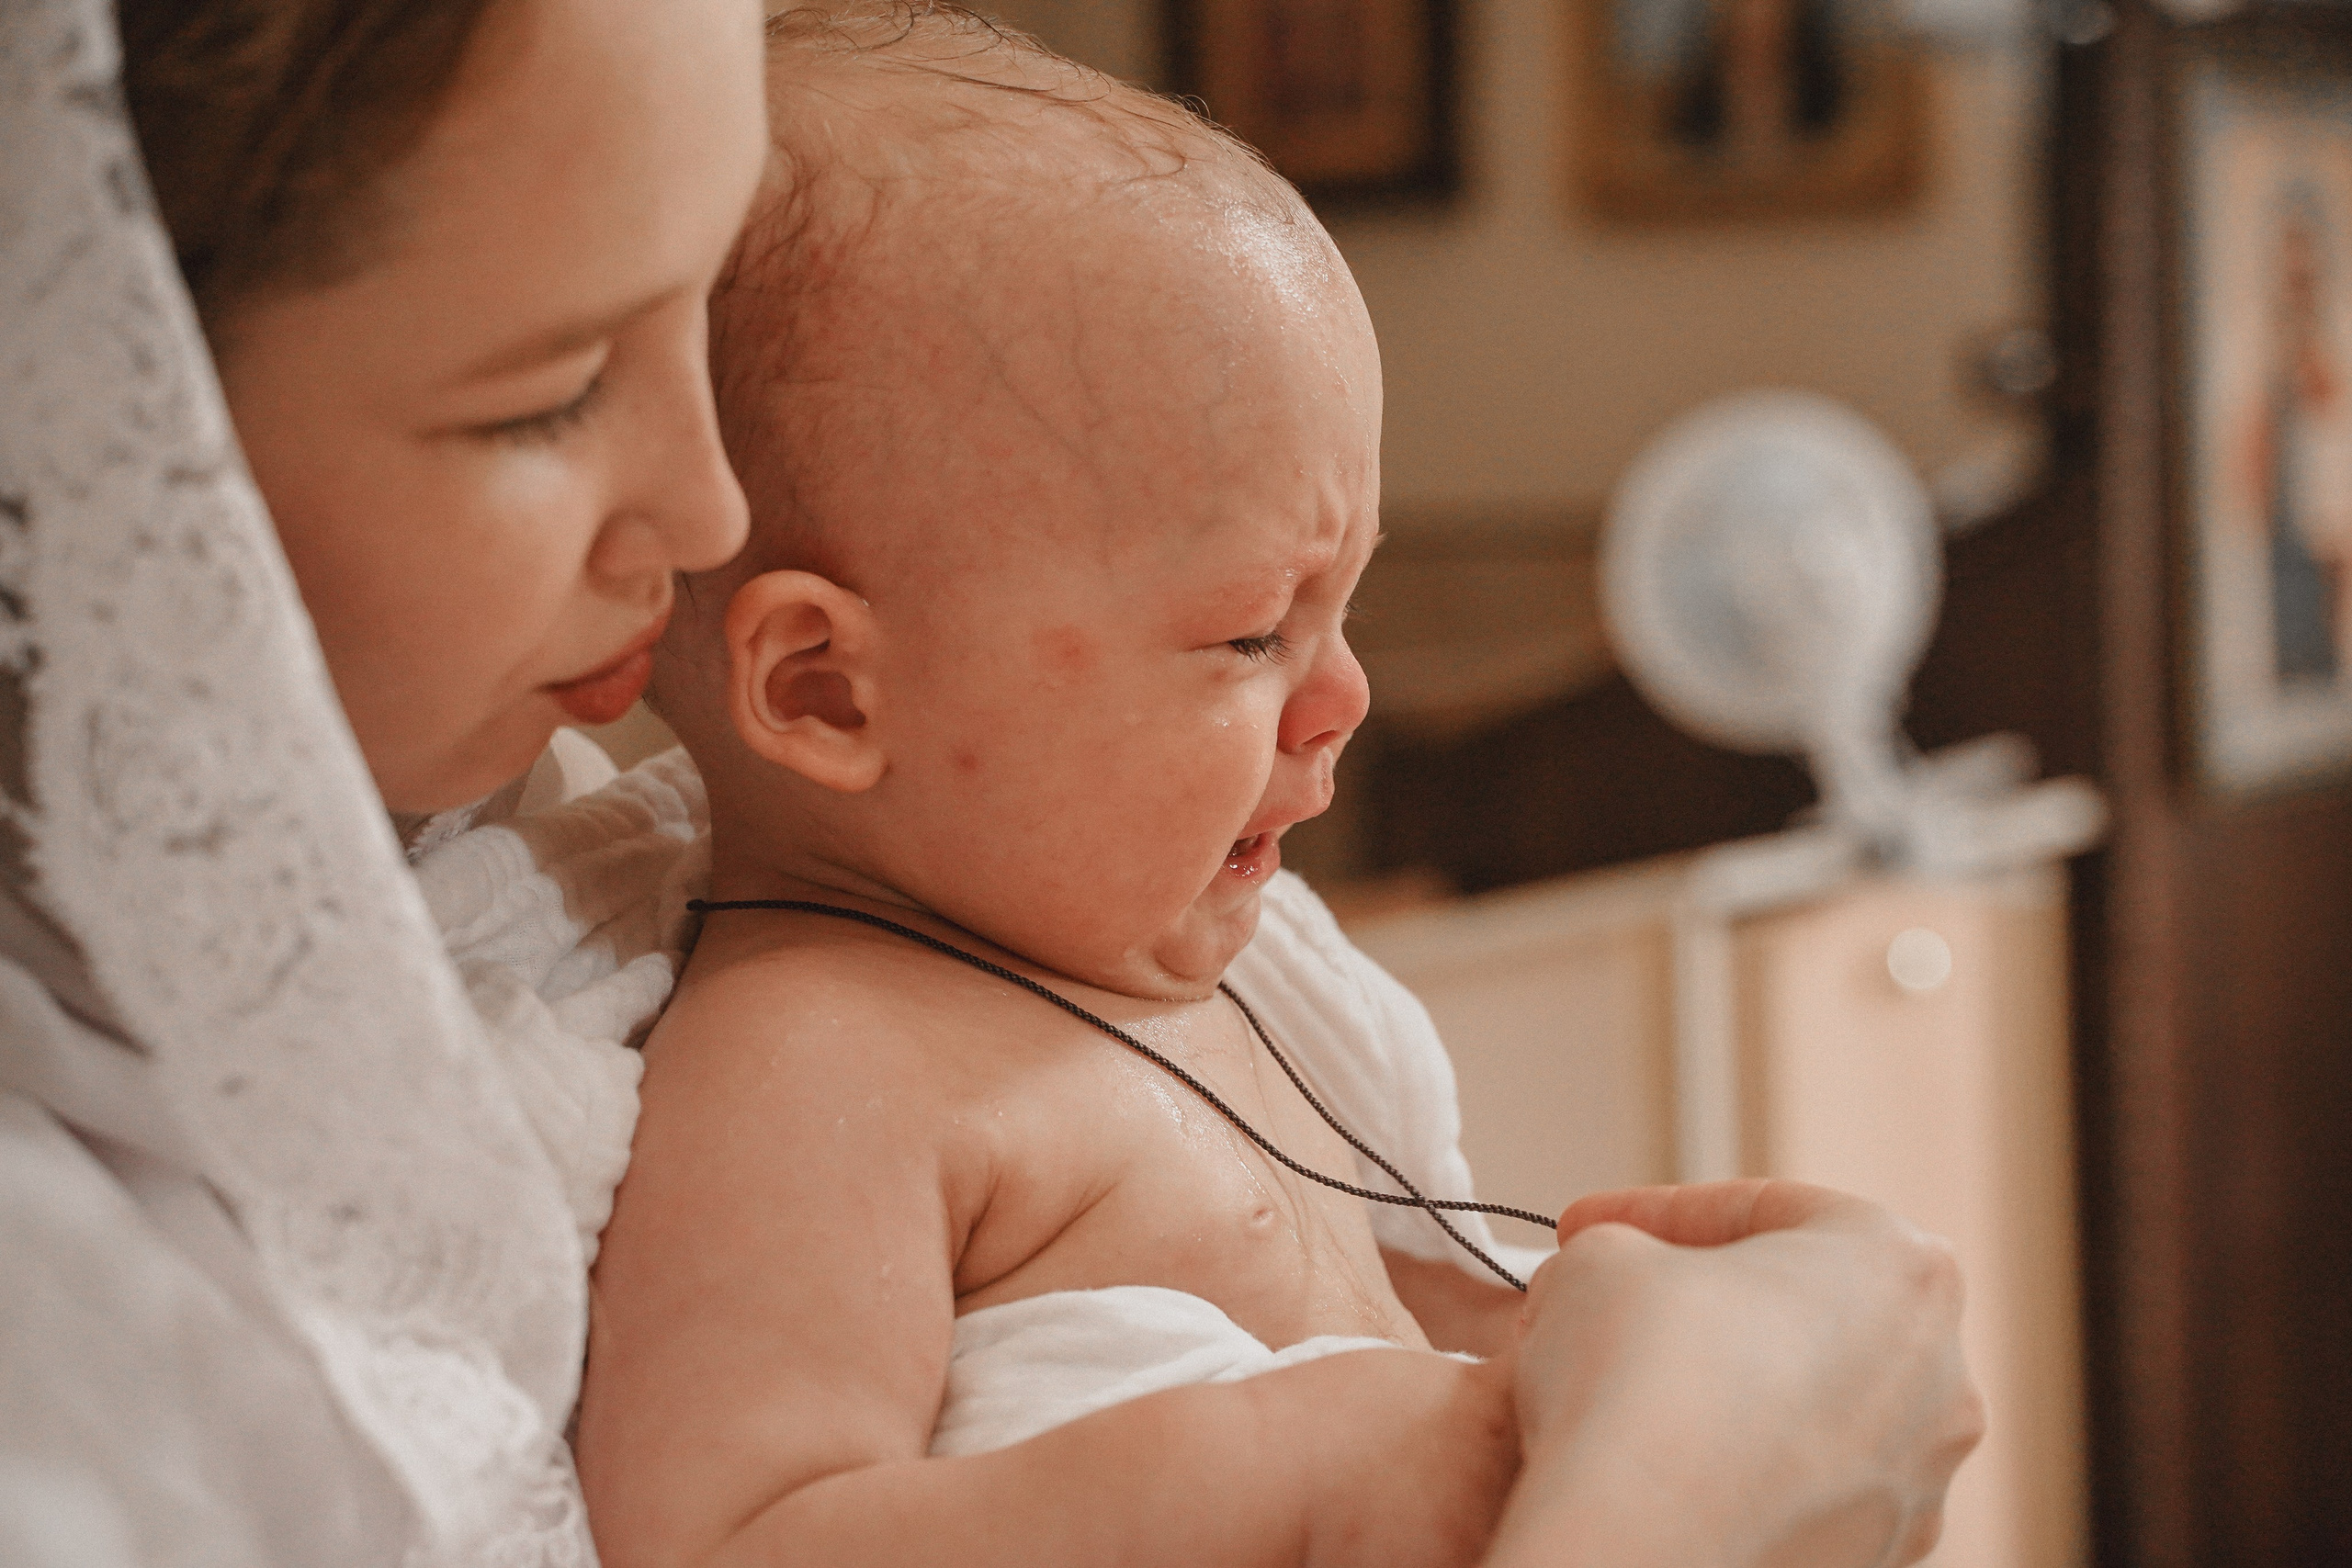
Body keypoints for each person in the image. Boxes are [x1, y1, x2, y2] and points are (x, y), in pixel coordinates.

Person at [0, 0, 1978, 1564]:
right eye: (542, 388)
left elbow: (1389, 1320)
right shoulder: (809, 1065)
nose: (693, 506)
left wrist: (1593, 1340)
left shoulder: (1208, 969)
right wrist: (1584, 1487)